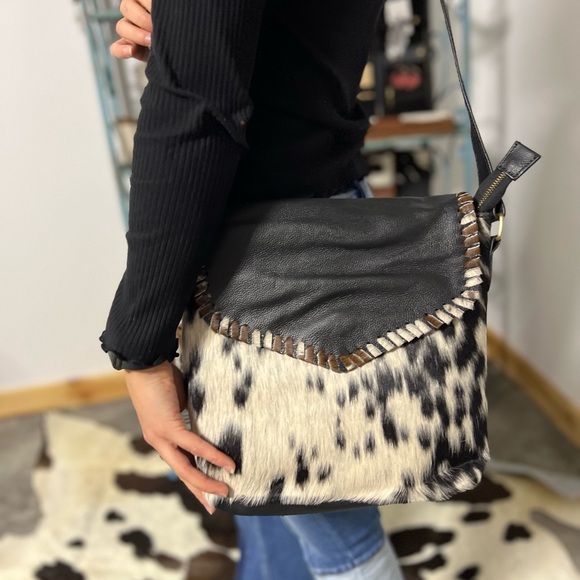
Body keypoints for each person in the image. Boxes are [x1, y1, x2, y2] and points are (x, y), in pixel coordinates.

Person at [102, 0, 405, 578]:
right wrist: (185, 42)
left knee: (346, 548)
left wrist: (139, 350)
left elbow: (196, 111)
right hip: (315, 216)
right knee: (262, 496)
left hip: (267, 259)